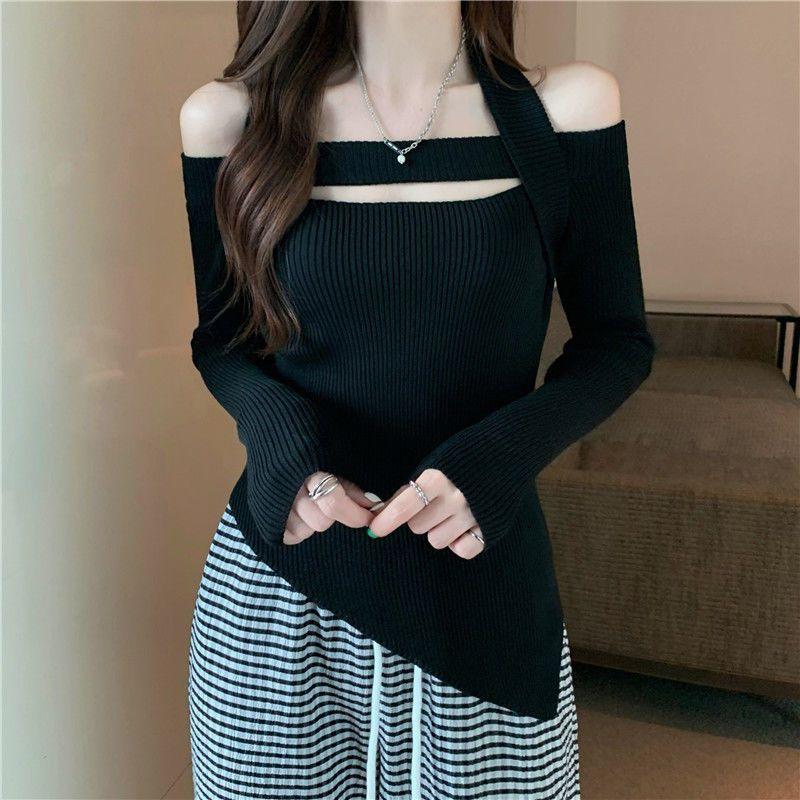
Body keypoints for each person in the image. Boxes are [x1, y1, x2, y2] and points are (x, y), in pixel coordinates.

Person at [179, 1, 654, 798]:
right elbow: (223, 342)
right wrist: (284, 443)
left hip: (479, 587)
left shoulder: (565, 110)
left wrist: (495, 460)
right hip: (284, 589)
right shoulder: (231, 120)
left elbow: (617, 343)